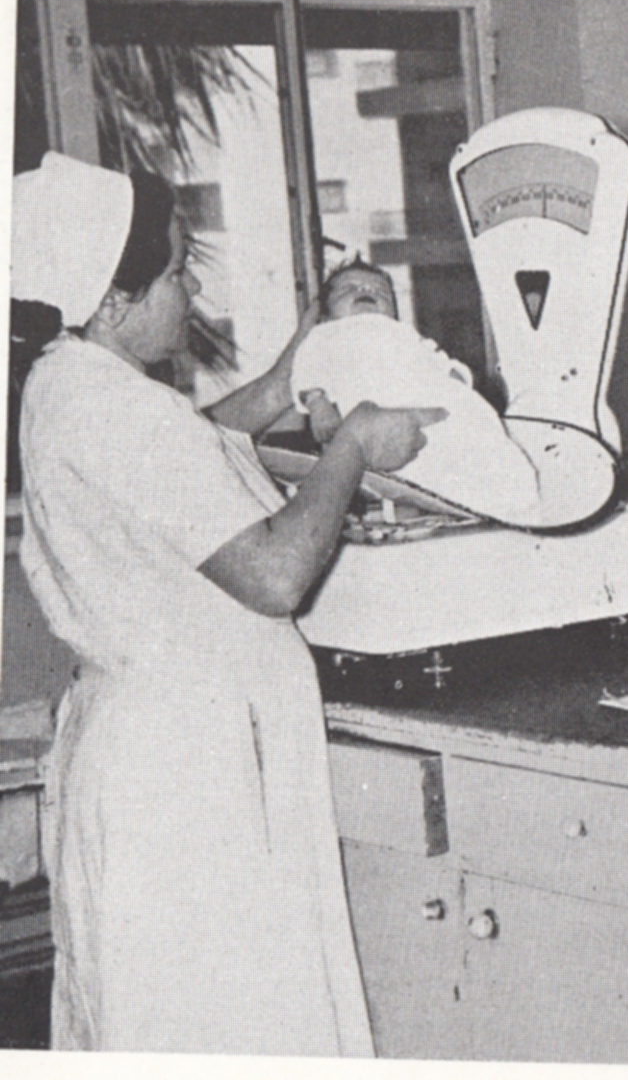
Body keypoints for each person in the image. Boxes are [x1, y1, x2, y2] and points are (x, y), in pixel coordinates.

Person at [13, 152, 444, 1055]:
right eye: (174, 270)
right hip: (186, 779)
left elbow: (191, 456)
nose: (190, 286)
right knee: (224, 1028)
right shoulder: (119, 412)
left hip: (147, 751)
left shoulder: (68, 381)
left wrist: (293, 371)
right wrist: (355, 446)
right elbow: (277, 573)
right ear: (112, 299)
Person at [290, 257, 541, 523]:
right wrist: (318, 404)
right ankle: (478, 503)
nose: (366, 291)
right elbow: (307, 368)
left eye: (381, 292)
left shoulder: (403, 332)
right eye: (349, 288)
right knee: (430, 464)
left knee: (486, 439)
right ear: (325, 313)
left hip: (439, 398)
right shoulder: (326, 335)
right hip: (387, 415)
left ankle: (519, 502)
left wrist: (457, 377)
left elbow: (437, 358)